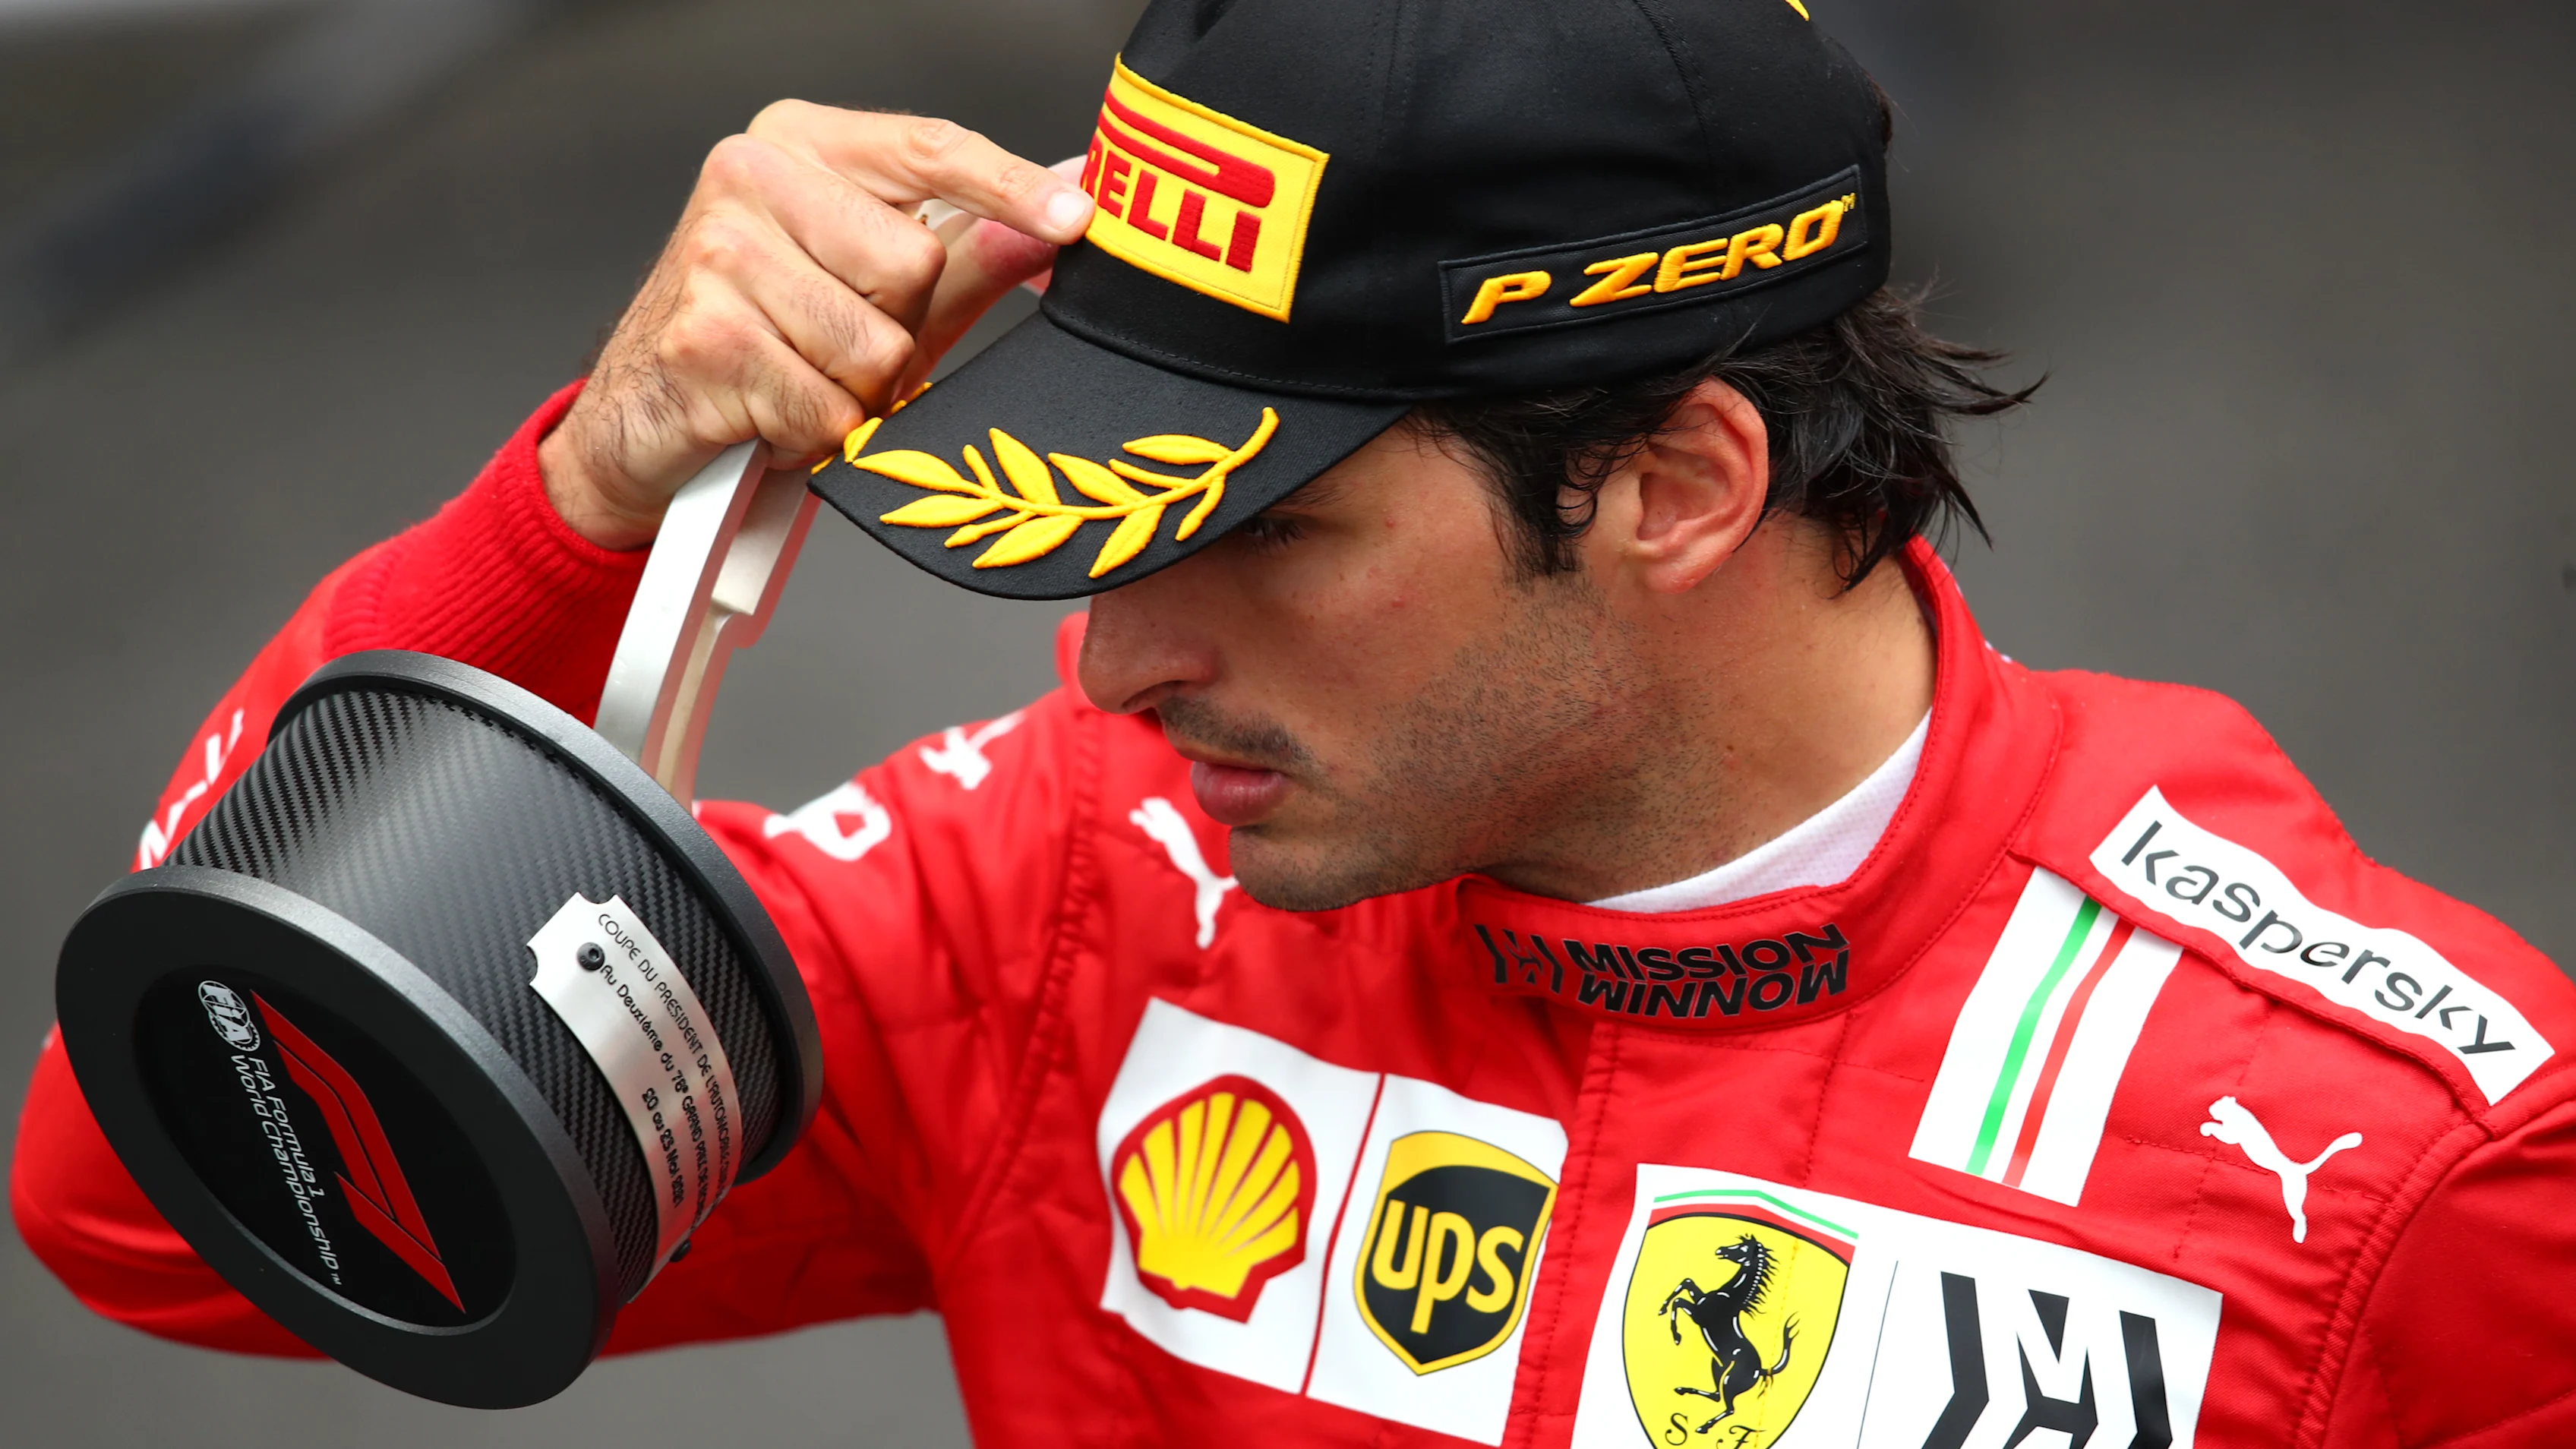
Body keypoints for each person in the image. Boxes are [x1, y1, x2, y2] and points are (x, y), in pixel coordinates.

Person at [16, 1, 2576, 1444]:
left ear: (1681, 478)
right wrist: (584, 505)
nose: (1113, 658)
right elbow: (173, 1185)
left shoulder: (2391, 1180)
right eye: (1109, 508)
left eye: (1257, 526)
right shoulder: (1064, 889)